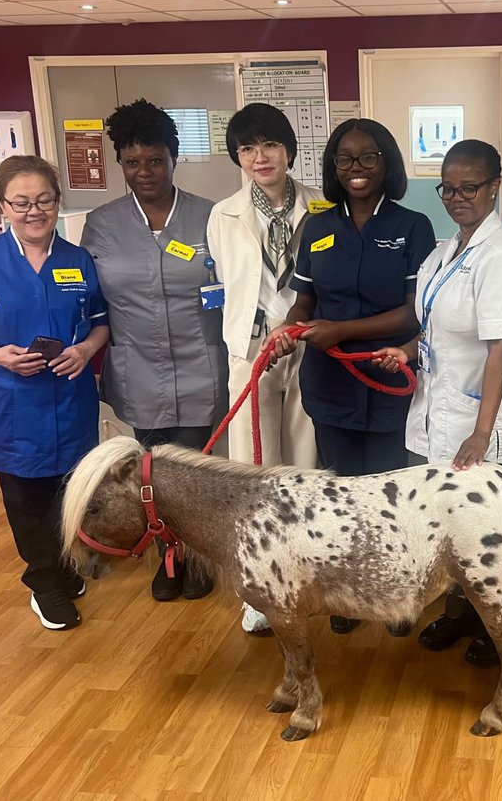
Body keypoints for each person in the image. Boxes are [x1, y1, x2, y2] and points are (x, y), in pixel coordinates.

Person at [268, 117, 436, 633]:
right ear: (333, 167)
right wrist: (286, 331)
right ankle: (345, 595)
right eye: (345, 159)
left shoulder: (412, 226)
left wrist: (341, 330)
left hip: (386, 375)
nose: (356, 168)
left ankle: (391, 593)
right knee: (340, 492)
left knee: (387, 492)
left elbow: (413, 312)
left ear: (387, 164)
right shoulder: (318, 227)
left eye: (368, 158)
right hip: (330, 382)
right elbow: (305, 301)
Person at [0, 155, 109, 631]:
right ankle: (43, 583)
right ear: (2, 206)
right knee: (25, 495)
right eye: (21, 202)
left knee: (68, 491)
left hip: (68, 396)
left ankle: (63, 565)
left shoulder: (77, 259)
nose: (34, 211)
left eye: (44, 200)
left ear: (58, 202)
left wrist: (85, 350)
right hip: (11, 398)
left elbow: (98, 322)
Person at [373, 139, 502, 666]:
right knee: (446, 525)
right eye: (449, 187)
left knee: (479, 529)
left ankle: (493, 625)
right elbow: (434, 329)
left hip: (473, 418)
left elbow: (500, 349)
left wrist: (482, 432)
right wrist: (405, 351)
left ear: (494, 187)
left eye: (471, 187)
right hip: (433, 409)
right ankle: (459, 613)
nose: (457, 196)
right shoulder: (447, 249)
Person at [81, 99, 223, 603]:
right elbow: (88, 299)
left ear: (174, 157)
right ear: (120, 163)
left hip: (200, 362)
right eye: (133, 162)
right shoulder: (101, 224)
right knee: (150, 471)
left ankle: (200, 555)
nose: (145, 172)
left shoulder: (212, 217)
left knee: (197, 469)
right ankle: (168, 556)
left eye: (156, 160)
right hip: (138, 366)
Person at [208, 102, 323, 634]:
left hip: (304, 344)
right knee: (253, 467)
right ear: (237, 156)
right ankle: (260, 588)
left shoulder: (321, 211)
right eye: (248, 148)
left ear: (289, 151)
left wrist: (294, 328)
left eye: (270, 145)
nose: (260, 157)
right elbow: (230, 281)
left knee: (303, 459)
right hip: (250, 349)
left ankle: (306, 572)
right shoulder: (223, 214)